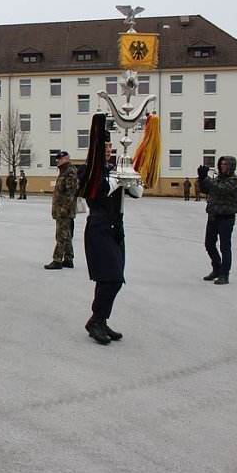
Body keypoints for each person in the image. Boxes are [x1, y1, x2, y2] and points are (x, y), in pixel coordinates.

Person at [79, 114, 143, 345]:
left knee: (111, 279)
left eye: (110, 146)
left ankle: (100, 319)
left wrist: (131, 180)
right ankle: (96, 319)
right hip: (99, 226)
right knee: (111, 278)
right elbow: (96, 191)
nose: (108, 150)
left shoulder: (115, 168)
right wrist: (118, 179)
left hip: (116, 227)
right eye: (104, 146)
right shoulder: (87, 171)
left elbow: (136, 193)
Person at [198, 157, 237, 285]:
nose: (222, 166)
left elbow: (220, 189)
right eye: (221, 164)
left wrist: (206, 178)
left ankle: (224, 274)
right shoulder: (218, 178)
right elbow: (206, 190)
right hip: (213, 216)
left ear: (231, 166)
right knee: (209, 244)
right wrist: (201, 178)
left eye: (225, 164)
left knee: (225, 247)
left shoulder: (234, 180)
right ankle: (217, 268)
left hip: (226, 217)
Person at [44, 150, 79, 269]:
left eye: (59, 159)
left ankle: (57, 260)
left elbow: (71, 192)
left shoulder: (69, 171)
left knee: (61, 236)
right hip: (61, 209)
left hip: (65, 210)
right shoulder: (64, 171)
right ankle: (69, 259)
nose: (58, 161)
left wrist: (65, 208)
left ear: (66, 159)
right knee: (66, 234)